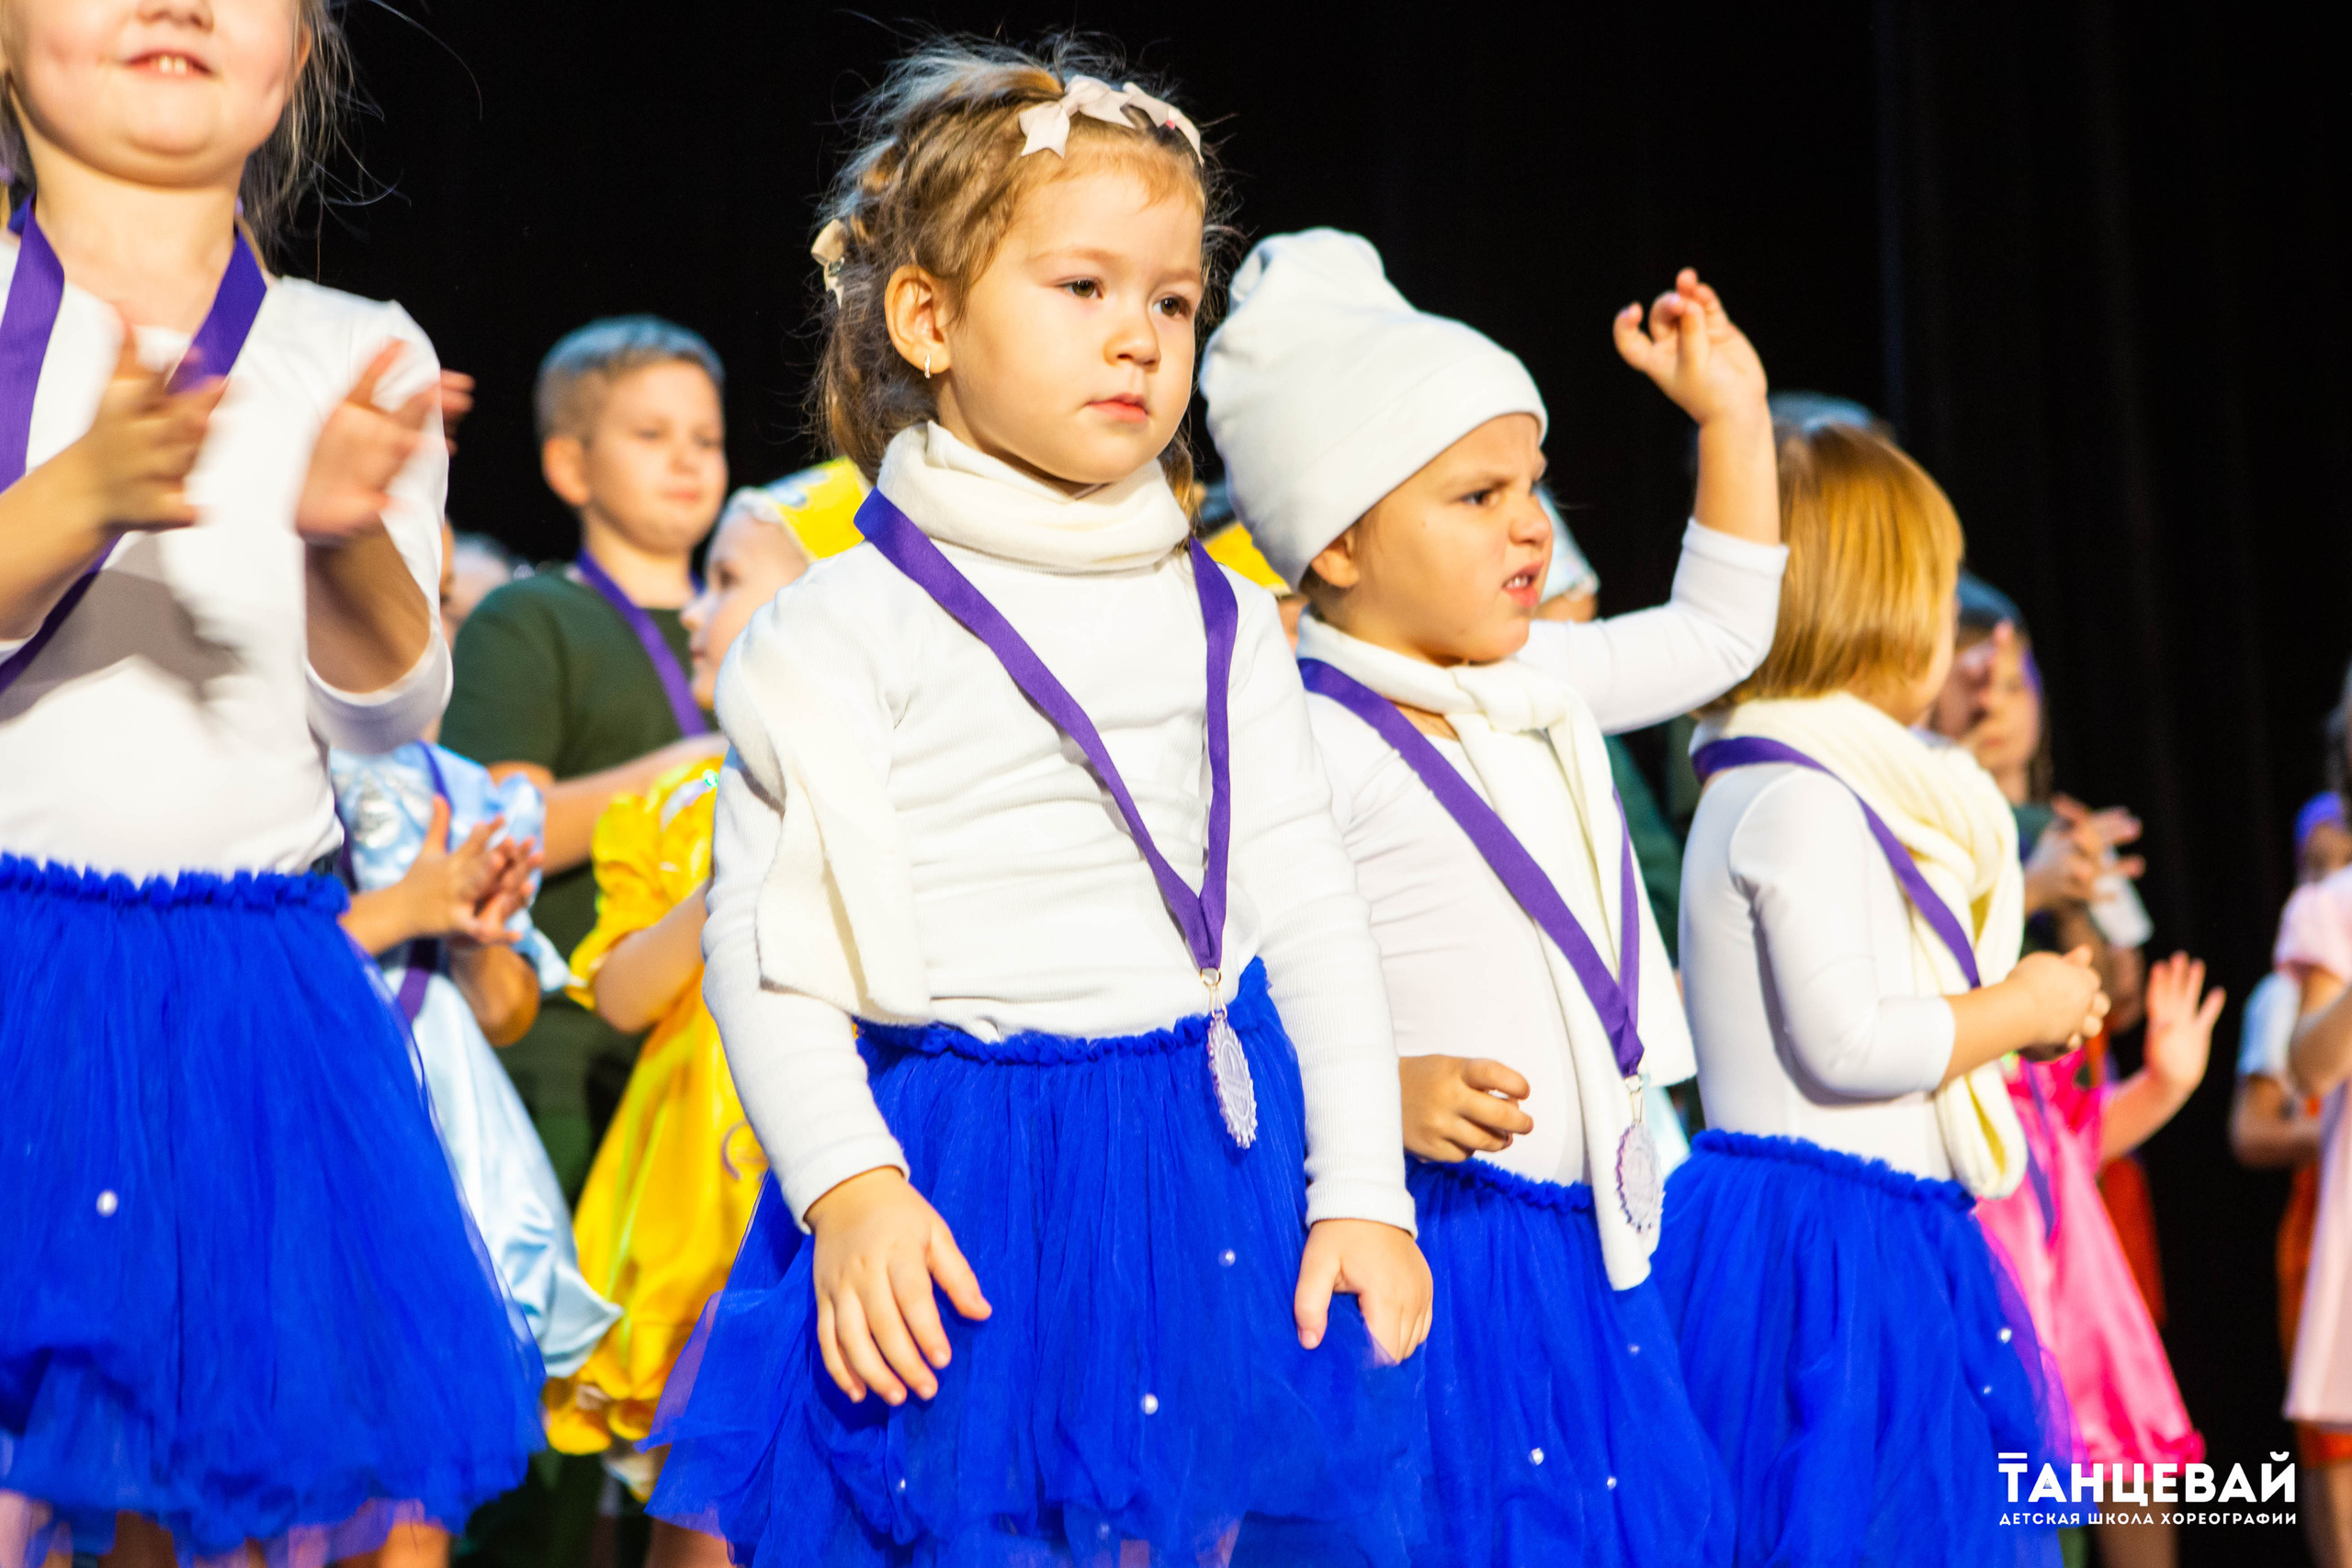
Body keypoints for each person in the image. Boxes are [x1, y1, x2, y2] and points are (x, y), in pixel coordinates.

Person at [647, 40, 1430, 1566]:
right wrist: (852, 1185)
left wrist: (1360, 1187)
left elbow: (1312, 910)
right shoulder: (840, 627)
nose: (1139, 337)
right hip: (959, 1162)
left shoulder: (1220, 616)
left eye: (1172, 300)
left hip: (1203, 1161)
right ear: (927, 319)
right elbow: (765, 947)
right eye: (1083, 289)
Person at [0, 4, 542, 1563]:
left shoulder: (350, 344)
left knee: (257, 1487)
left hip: (251, 1003)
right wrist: (76, 498)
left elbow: (389, 704)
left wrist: (343, 531)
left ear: (296, 59)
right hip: (17, 969)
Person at [1202, 227, 1788, 1565]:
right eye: (1478, 496)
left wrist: (1732, 413)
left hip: (1585, 1240)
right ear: (1337, 543)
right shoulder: (1305, 736)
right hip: (1440, 1242)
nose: (1533, 523)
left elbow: (1719, 633)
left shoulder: (1539, 691)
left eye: (1534, 484)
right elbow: (1218, 1001)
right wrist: (1377, 1085)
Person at [1657, 421, 2098, 1568]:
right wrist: (2020, 1008)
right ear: (1881, 605)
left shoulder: (1793, 780)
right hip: (1824, 1254)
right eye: (1938, 594)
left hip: (1872, 1230)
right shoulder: (1794, 797)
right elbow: (1846, 1044)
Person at [545, 464, 861, 1568]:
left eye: (726, 581)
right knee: (705, 1491)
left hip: (829, 1185)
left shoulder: (894, 796)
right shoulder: (680, 805)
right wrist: (733, 867)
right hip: (703, 1202)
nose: (693, 603)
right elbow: (626, 990)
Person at [439, 316, 732, 1199]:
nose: (686, 459)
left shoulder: (756, 624)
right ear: (571, 466)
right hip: (568, 1055)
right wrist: (683, 765)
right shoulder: (529, 619)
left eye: (707, 439)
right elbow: (495, 832)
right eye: (650, 436)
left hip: (719, 1062)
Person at [2236, 788, 2352, 1568]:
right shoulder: (2283, 995)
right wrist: (2332, 1128)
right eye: (2313, 863)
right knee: (2332, 1439)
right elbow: (2253, 1128)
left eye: (2337, 857)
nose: (2326, 876)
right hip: (2323, 1226)